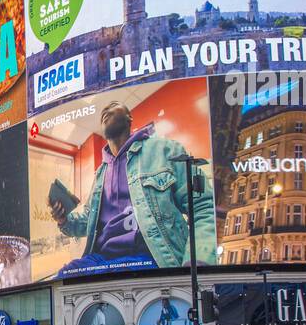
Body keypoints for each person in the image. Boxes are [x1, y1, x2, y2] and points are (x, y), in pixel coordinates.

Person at [49, 100, 215, 276]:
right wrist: (64, 220)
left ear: (130, 118)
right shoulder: (100, 174)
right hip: (102, 261)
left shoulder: (164, 150)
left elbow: (204, 207)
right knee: (62, 279)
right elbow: (86, 222)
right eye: (105, 108)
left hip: (151, 258)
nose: (106, 109)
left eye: (113, 105)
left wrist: (196, 263)